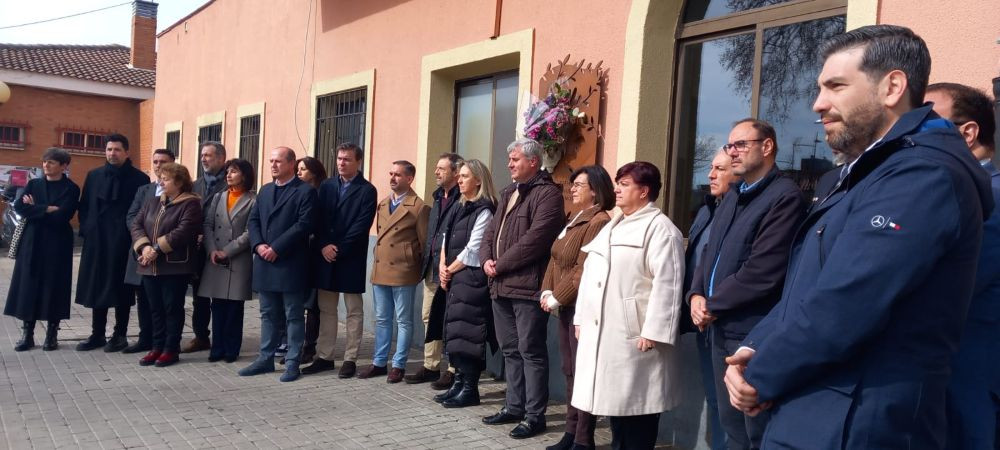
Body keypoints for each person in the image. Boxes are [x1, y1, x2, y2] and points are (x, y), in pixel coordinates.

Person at [725, 25, 993, 448]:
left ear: (892, 86)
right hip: (817, 407)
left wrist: (761, 374)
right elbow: (807, 285)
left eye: (835, 86)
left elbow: (850, 298)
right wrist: (755, 346)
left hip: (858, 421)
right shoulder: (863, 173)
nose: (818, 104)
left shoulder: (922, 175)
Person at [687, 118, 804, 449]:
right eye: (729, 145)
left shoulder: (784, 197)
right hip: (718, 327)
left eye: (740, 145)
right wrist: (695, 294)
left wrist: (712, 304)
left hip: (751, 333)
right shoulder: (735, 194)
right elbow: (709, 252)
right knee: (730, 426)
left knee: (755, 430)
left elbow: (763, 270)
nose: (732, 152)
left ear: (766, 147)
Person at [572, 161, 684, 450]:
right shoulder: (614, 225)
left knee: (638, 416)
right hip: (605, 337)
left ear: (644, 191)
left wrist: (654, 331)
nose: (617, 190)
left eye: (624, 184)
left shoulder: (661, 229)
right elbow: (590, 277)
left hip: (636, 341)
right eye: (617, 183)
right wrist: (580, 318)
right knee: (618, 414)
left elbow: (668, 284)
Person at [925, 82, 1000, 449]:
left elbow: (949, 285)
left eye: (927, 120)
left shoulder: (990, 197)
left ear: (967, 133)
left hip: (969, 377)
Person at [480, 138, 565, 439]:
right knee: (510, 350)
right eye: (510, 159)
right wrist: (486, 259)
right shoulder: (508, 193)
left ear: (533, 161)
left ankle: (534, 415)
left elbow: (536, 240)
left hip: (527, 285)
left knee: (531, 350)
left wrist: (499, 264)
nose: (509, 164)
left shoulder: (548, 195)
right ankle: (513, 405)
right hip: (500, 285)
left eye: (515, 159)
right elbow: (491, 232)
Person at [538, 165, 613, 450]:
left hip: (581, 308)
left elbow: (583, 269)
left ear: (595, 189)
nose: (572, 189)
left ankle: (584, 438)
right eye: (573, 184)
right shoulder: (574, 218)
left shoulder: (599, 221)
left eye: (579, 184)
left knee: (582, 371)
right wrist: (547, 290)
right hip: (566, 306)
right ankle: (570, 432)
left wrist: (559, 296)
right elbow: (556, 259)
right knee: (569, 369)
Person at [240, 147, 317, 382]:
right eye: (271, 161)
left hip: (289, 262)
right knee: (267, 314)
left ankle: (293, 361)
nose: (273, 165)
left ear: (292, 163)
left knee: (293, 314)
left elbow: (304, 225)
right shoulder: (265, 190)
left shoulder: (305, 192)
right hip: (264, 260)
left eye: (279, 161)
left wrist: (277, 248)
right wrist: (259, 245)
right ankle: (265, 358)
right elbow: (253, 221)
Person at [302, 143, 377, 379]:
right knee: (326, 309)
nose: (341, 163)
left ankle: (350, 359)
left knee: (353, 310)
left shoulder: (367, 190)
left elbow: (362, 224)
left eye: (347, 159)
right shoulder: (326, 186)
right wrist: (324, 245)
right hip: (325, 254)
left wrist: (340, 249)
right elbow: (318, 217)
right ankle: (324, 357)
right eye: (339, 159)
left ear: (358, 162)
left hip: (350, 257)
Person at [75, 134, 150, 352]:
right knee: (97, 286)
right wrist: (88, 229)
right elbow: (85, 205)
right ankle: (97, 334)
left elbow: (140, 212)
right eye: (109, 149)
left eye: (117, 149)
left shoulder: (139, 179)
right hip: (97, 241)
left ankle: (120, 335)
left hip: (124, 242)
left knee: (121, 288)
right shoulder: (94, 175)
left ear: (127, 152)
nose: (112, 153)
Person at [433, 159, 497, 408]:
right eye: (459, 176)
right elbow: (445, 239)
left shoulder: (484, 209)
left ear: (479, 180)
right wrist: (441, 266)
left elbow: (474, 248)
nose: (459, 180)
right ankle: (458, 383)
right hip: (455, 278)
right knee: (455, 333)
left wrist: (448, 270)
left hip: (471, 280)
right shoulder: (460, 206)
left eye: (465, 176)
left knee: (469, 334)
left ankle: (470, 388)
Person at [358, 160, 430, 383]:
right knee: (382, 319)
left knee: (403, 320)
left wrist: (411, 261)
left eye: (398, 175)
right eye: (391, 173)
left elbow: (424, 242)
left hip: (403, 271)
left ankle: (398, 364)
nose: (393, 178)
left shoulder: (418, 206)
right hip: (381, 269)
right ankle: (379, 362)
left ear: (409, 179)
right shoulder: (383, 204)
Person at [684, 150, 737, 450]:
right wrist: (694, 298)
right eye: (711, 167)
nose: (710, 174)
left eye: (720, 168)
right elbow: (699, 261)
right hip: (701, 320)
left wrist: (713, 305)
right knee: (715, 400)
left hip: (729, 323)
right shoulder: (706, 209)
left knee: (731, 406)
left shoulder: (744, 210)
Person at [5, 148, 80, 351]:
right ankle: (27, 334)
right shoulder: (34, 183)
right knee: (28, 285)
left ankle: (51, 335)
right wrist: (46, 208)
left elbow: (63, 215)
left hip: (57, 243)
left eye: (52, 162)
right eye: (45, 161)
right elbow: (20, 207)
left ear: (64, 166)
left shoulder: (71, 188)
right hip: (32, 240)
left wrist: (36, 207)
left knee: (54, 286)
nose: (46, 165)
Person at [130, 162, 204, 367]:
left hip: (174, 267)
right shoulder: (153, 202)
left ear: (179, 182)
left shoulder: (190, 203)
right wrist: (144, 248)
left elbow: (183, 231)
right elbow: (136, 224)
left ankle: (171, 349)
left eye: (166, 178)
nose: (160, 181)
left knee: (172, 309)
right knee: (155, 309)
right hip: (149, 265)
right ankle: (156, 347)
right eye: (160, 177)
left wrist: (156, 249)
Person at [407, 152, 463, 389]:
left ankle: (453, 369)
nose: (436, 172)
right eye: (436, 168)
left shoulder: (463, 198)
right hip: (432, 267)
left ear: (455, 172)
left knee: (452, 320)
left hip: (453, 269)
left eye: (441, 168)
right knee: (429, 316)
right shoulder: (438, 197)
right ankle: (431, 365)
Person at [198, 159, 257, 363]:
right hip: (215, 258)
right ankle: (217, 347)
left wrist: (228, 251)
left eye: (234, 171)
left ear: (245, 175)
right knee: (218, 305)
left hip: (238, 259)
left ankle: (232, 349)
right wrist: (213, 250)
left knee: (234, 307)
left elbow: (251, 231)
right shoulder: (219, 197)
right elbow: (207, 224)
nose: (229, 175)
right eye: (228, 172)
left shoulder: (252, 199)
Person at [123, 148, 176, 355]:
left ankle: (167, 343)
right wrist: (144, 245)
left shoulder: (180, 191)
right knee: (144, 299)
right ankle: (146, 339)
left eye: (163, 161)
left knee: (167, 303)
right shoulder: (143, 190)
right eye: (155, 161)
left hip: (166, 255)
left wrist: (157, 247)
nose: (158, 165)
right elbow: (132, 218)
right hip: (142, 253)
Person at [183, 141, 229, 354]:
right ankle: (201, 336)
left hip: (223, 247)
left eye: (208, 155)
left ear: (221, 158)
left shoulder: (231, 183)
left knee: (221, 296)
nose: (203, 159)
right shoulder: (195, 184)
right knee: (199, 295)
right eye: (202, 155)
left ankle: (223, 337)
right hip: (198, 248)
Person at [295, 156, 327, 364]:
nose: (299, 173)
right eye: (297, 169)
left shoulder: (321, 194)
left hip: (317, 256)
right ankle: (295, 345)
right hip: (299, 255)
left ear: (314, 172)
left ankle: (310, 346)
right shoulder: (296, 192)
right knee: (298, 303)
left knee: (314, 306)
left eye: (303, 169)